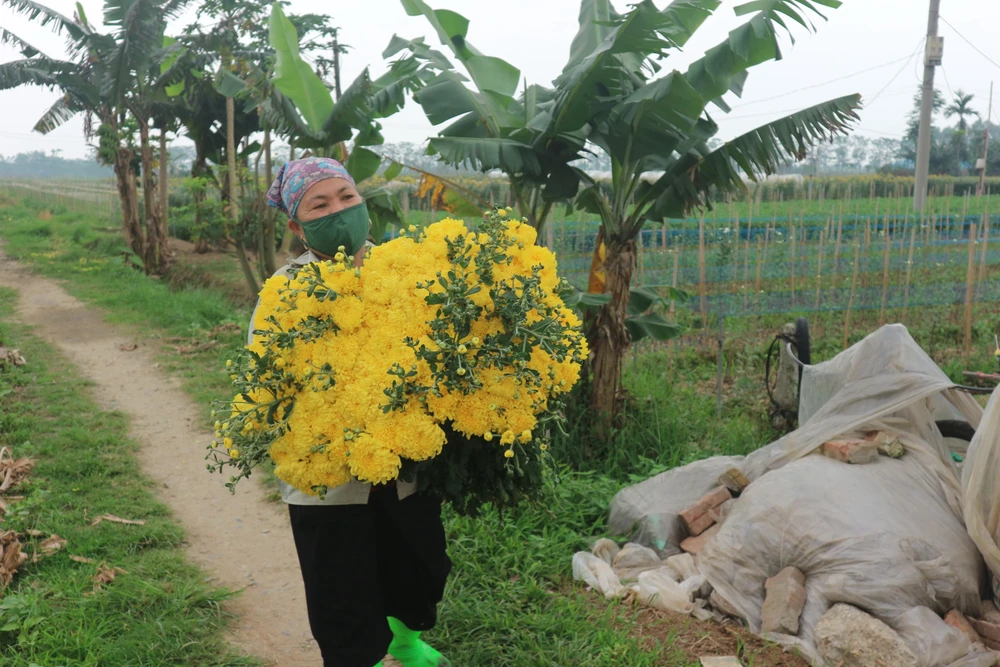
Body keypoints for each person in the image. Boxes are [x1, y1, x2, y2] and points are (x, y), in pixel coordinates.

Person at [252, 157, 452, 667]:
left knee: (419, 567)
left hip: (405, 463)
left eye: (345, 197)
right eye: (319, 204)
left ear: (362, 202)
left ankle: (405, 644)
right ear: (298, 226)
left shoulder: (407, 269)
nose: (337, 209)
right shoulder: (284, 291)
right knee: (341, 593)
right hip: (329, 478)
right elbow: (267, 384)